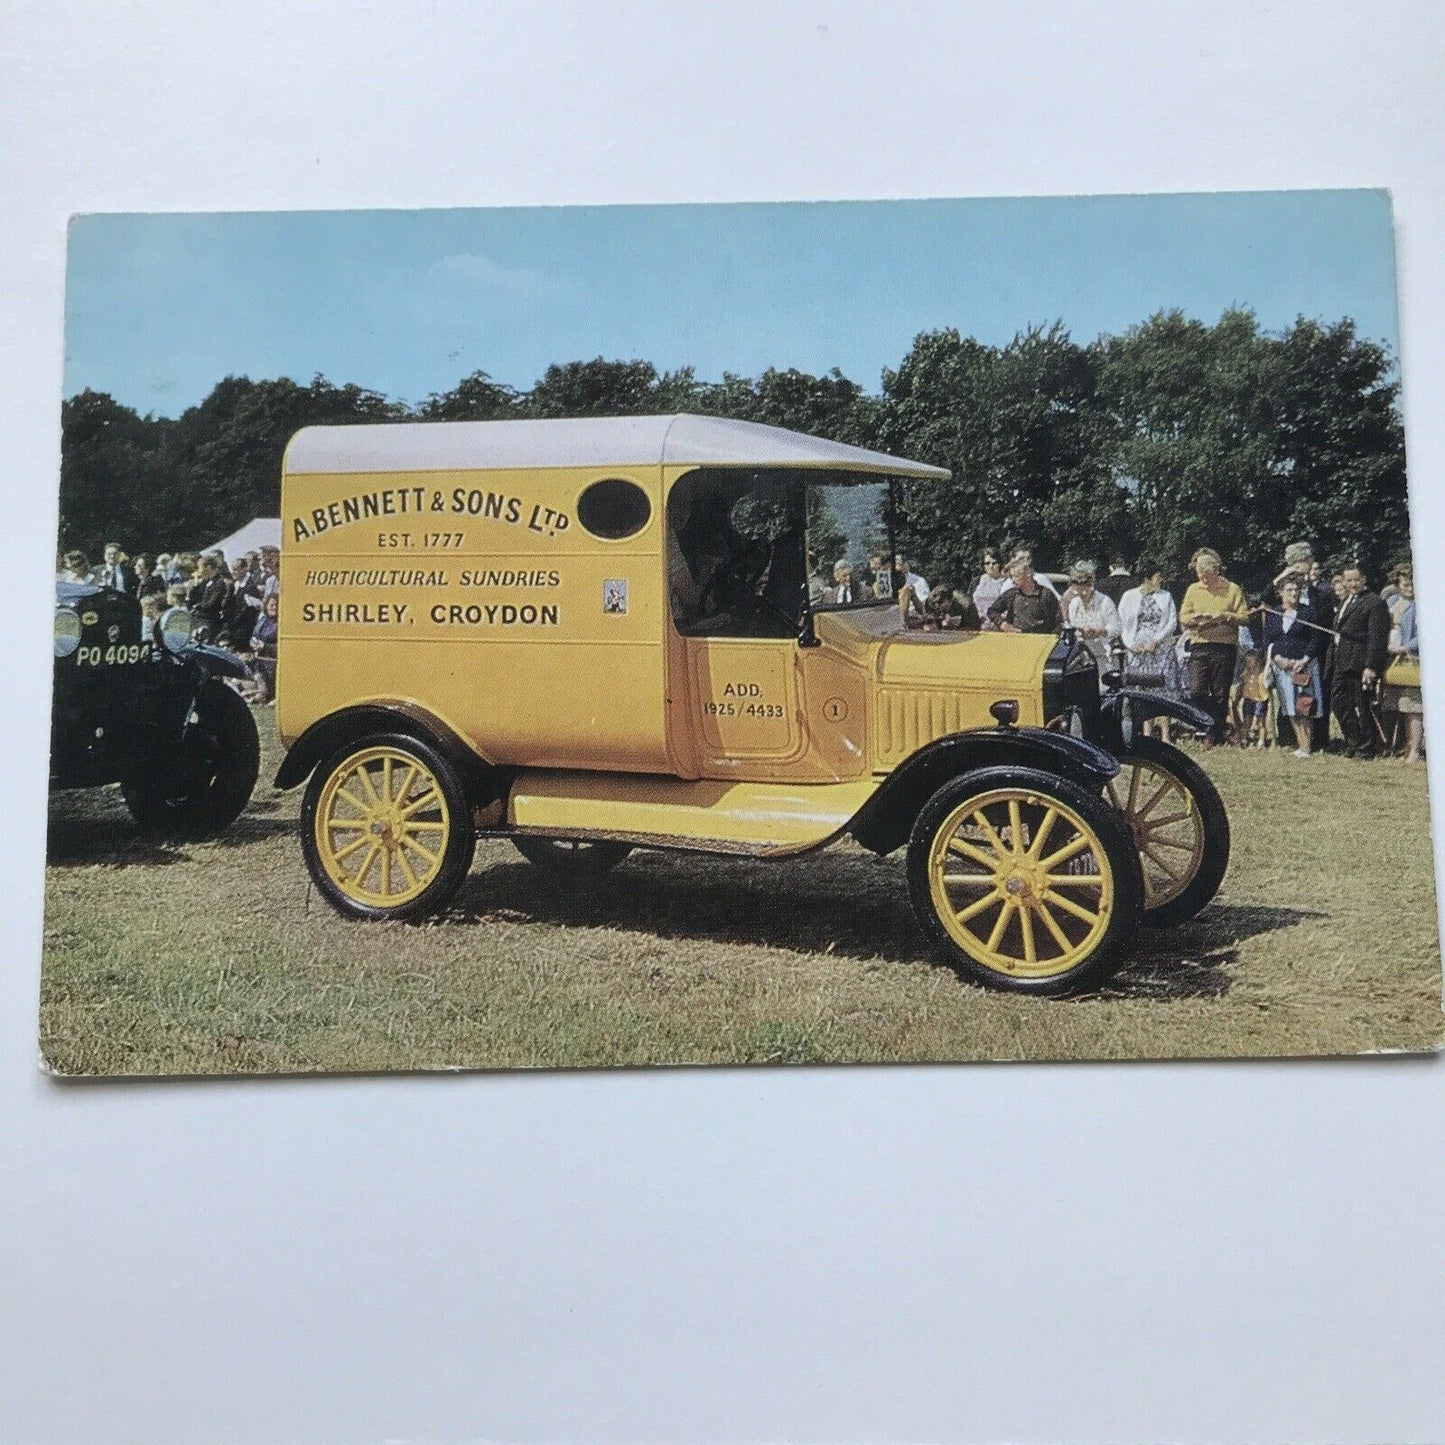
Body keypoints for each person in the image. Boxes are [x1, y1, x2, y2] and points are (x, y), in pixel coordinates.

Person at [1179, 547, 1250, 746]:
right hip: (1199, 644)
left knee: (1220, 692)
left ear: (1217, 571)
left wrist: (1224, 616)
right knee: (1197, 691)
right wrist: (1195, 620)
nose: (1204, 580)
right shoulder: (1194, 589)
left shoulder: (1232, 589)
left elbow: (1244, 617)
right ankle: (1219, 725)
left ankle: (1214, 732)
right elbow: (1183, 617)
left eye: (1207, 576)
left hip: (1224, 646)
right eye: (1201, 576)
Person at [1117, 560, 1184, 740]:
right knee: (1143, 690)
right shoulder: (1129, 597)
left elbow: (1171, 622)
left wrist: (1156, 640)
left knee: (1162, 690)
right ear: (1147, 578)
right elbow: (1122, 623)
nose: (1160, 580)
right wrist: (1131, 645)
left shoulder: (1166, 596)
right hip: (1137, 651)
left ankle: (1165, 735)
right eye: (1157, 577)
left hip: (1160, 648)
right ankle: (1146, 733)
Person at [1329, 564, 1391, 758]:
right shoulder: (1346, 600)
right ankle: (1354, 741)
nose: (1353, 584)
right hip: (1341, 660)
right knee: (1338, 702)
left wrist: (1371, 666)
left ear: (1364, 579)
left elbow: (1377, 638)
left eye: (1356, 580)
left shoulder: (1375, 603)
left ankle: (1367, 747)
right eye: (1349, 580)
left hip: (1360, 662)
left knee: (1363, 707)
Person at [1262, 576, 1327, 758]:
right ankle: (1300, 743)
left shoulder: (1308, 613)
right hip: (1282, 666)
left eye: (1296, 590)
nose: (1293, 594)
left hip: (1303, 665)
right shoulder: (1274, 613)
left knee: (1304, 705)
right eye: (1289, 590)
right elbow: (1269, 639)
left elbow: (1316, 639)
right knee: (1290, 705)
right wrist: (1277, 657)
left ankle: (1307, 746)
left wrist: (1304, 660)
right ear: (1281, 593)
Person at [1383, 570, 1423, 763]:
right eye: (1405, 585)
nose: (1409, 589)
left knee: (1413, 707)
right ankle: (1399, 745)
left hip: (1411, 658)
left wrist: (1405, 647)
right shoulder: (1391, 602)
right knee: (1396, 705)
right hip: (1392, 658)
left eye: (1412, 585)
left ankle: (1414, 749)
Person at [1062, 560, 1120, 668]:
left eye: (1085, 589)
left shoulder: (1105, 602)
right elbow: (1072, 629)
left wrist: (1098, 631)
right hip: (1082, 659)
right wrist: (1079, 631)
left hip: (1104, 657)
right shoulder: (1074, 604)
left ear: (1091, 585)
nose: (1082, 593)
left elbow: (1116, 628)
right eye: (1078, 590)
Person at [988, 557, 1062, 634]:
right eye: (1011, 577)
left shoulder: (1045, 595)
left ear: (1028, 574)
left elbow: (1058, 621)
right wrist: (1002, 624)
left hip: (1040, 641)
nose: (1012, 580)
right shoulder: (1011, 594)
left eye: (1016, 576)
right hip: (1015, 640)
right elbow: (992, 611)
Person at [1235, 650, 1270, 747]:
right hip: (1248, 700)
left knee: (1260, 722)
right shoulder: (1245, 675)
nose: (1252, 670)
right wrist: (1237, 699)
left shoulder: (1263, 675)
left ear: (1260, 664)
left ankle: (1262, 741)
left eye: (1254, 667)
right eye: (1249, 668)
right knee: (1247, 721)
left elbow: (1269, 686)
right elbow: (1240, 687)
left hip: (1261, 700)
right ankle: (1244, 739)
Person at [971, 549, 1008, 626]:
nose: (991, 566)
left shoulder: (1007, 582)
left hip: (1000, 624)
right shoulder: (977, 581)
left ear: (1000, 564)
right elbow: (970, 604)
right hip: (979, 624)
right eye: (987, 563)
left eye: (994, 563)